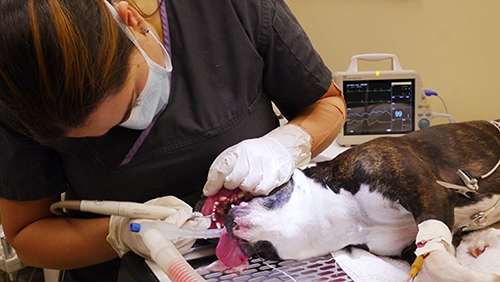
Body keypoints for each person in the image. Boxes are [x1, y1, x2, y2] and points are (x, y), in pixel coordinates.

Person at [0, 0, 346, 281]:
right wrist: (122, 233)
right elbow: (29, 234)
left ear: (132, 20)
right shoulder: (13, 85)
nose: (130, 126)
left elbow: (326, 104)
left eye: (131, 101)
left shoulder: (229, 9)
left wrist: (285, 145)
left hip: (277, 255)